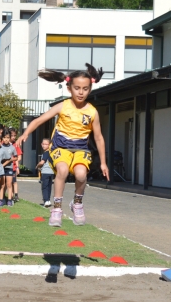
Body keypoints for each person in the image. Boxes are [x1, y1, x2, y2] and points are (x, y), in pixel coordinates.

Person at [16, 64, 110, 227]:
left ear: (90, 89)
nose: (81, 92)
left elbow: (99, 138)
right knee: (63, 170)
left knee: (81, 175)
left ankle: (77, 203)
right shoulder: (63, 106)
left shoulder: (92, 112)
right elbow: (38, 120)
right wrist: (25, 134)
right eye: (77, 88)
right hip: (60, 148)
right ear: (69, 88)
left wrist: (103, 162)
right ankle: (57, 208)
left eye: (85, 89)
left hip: (81, 149)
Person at [0, 128, 18, 206]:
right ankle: (1, 199)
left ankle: (9, 200)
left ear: (9, 138)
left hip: (9, 168)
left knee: (9, 184)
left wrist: (11, 160)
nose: (6, 139)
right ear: (2, 138)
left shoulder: (12, 147)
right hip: (1, 168)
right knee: (2, 184)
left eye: (7, 138)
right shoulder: (0, 146)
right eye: (4, 138)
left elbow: (16, 157)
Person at [36, 138, 53, 207]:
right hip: (51, 172)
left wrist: (37, 166)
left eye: (46, 144)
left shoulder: (46, 153)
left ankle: (46, 200)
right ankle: (48, 200)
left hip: (46, 172)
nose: (44, 146)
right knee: (49, 186)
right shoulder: (51, 153)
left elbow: (42, 162)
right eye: (43, 144)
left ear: (49, 145)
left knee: (44, 187)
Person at [10, 128, 23, 202]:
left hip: (13, 167)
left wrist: (16, 165)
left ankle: (16, 195)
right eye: (12, 135)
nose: (13, 137)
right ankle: (10, 196)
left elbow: (19, 157)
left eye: (15, 136)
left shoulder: (16, 145)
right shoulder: (4, 144)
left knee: (14, 181)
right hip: (6, 166)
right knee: (8, 183)